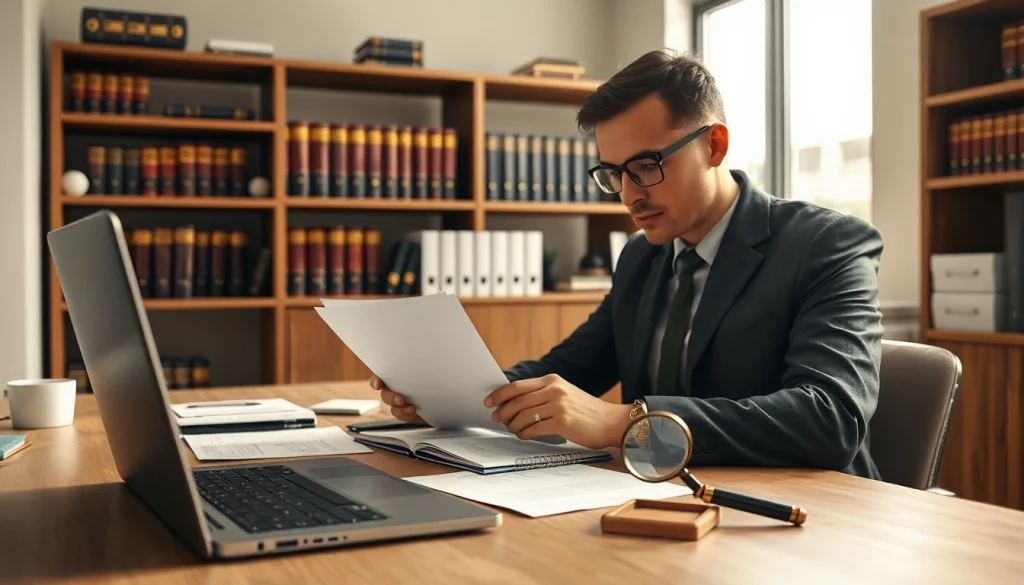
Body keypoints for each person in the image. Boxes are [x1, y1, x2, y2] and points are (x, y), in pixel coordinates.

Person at [369, 49, 884, 480]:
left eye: (645, 166)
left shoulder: (827, 244)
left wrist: (629, 421)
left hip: (809, 515)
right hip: (665, 496)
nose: (629, 196)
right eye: (613, 173)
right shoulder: (643, 256)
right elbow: (569, 373)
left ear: (714, 145)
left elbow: (830, 420)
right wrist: (447, 390)